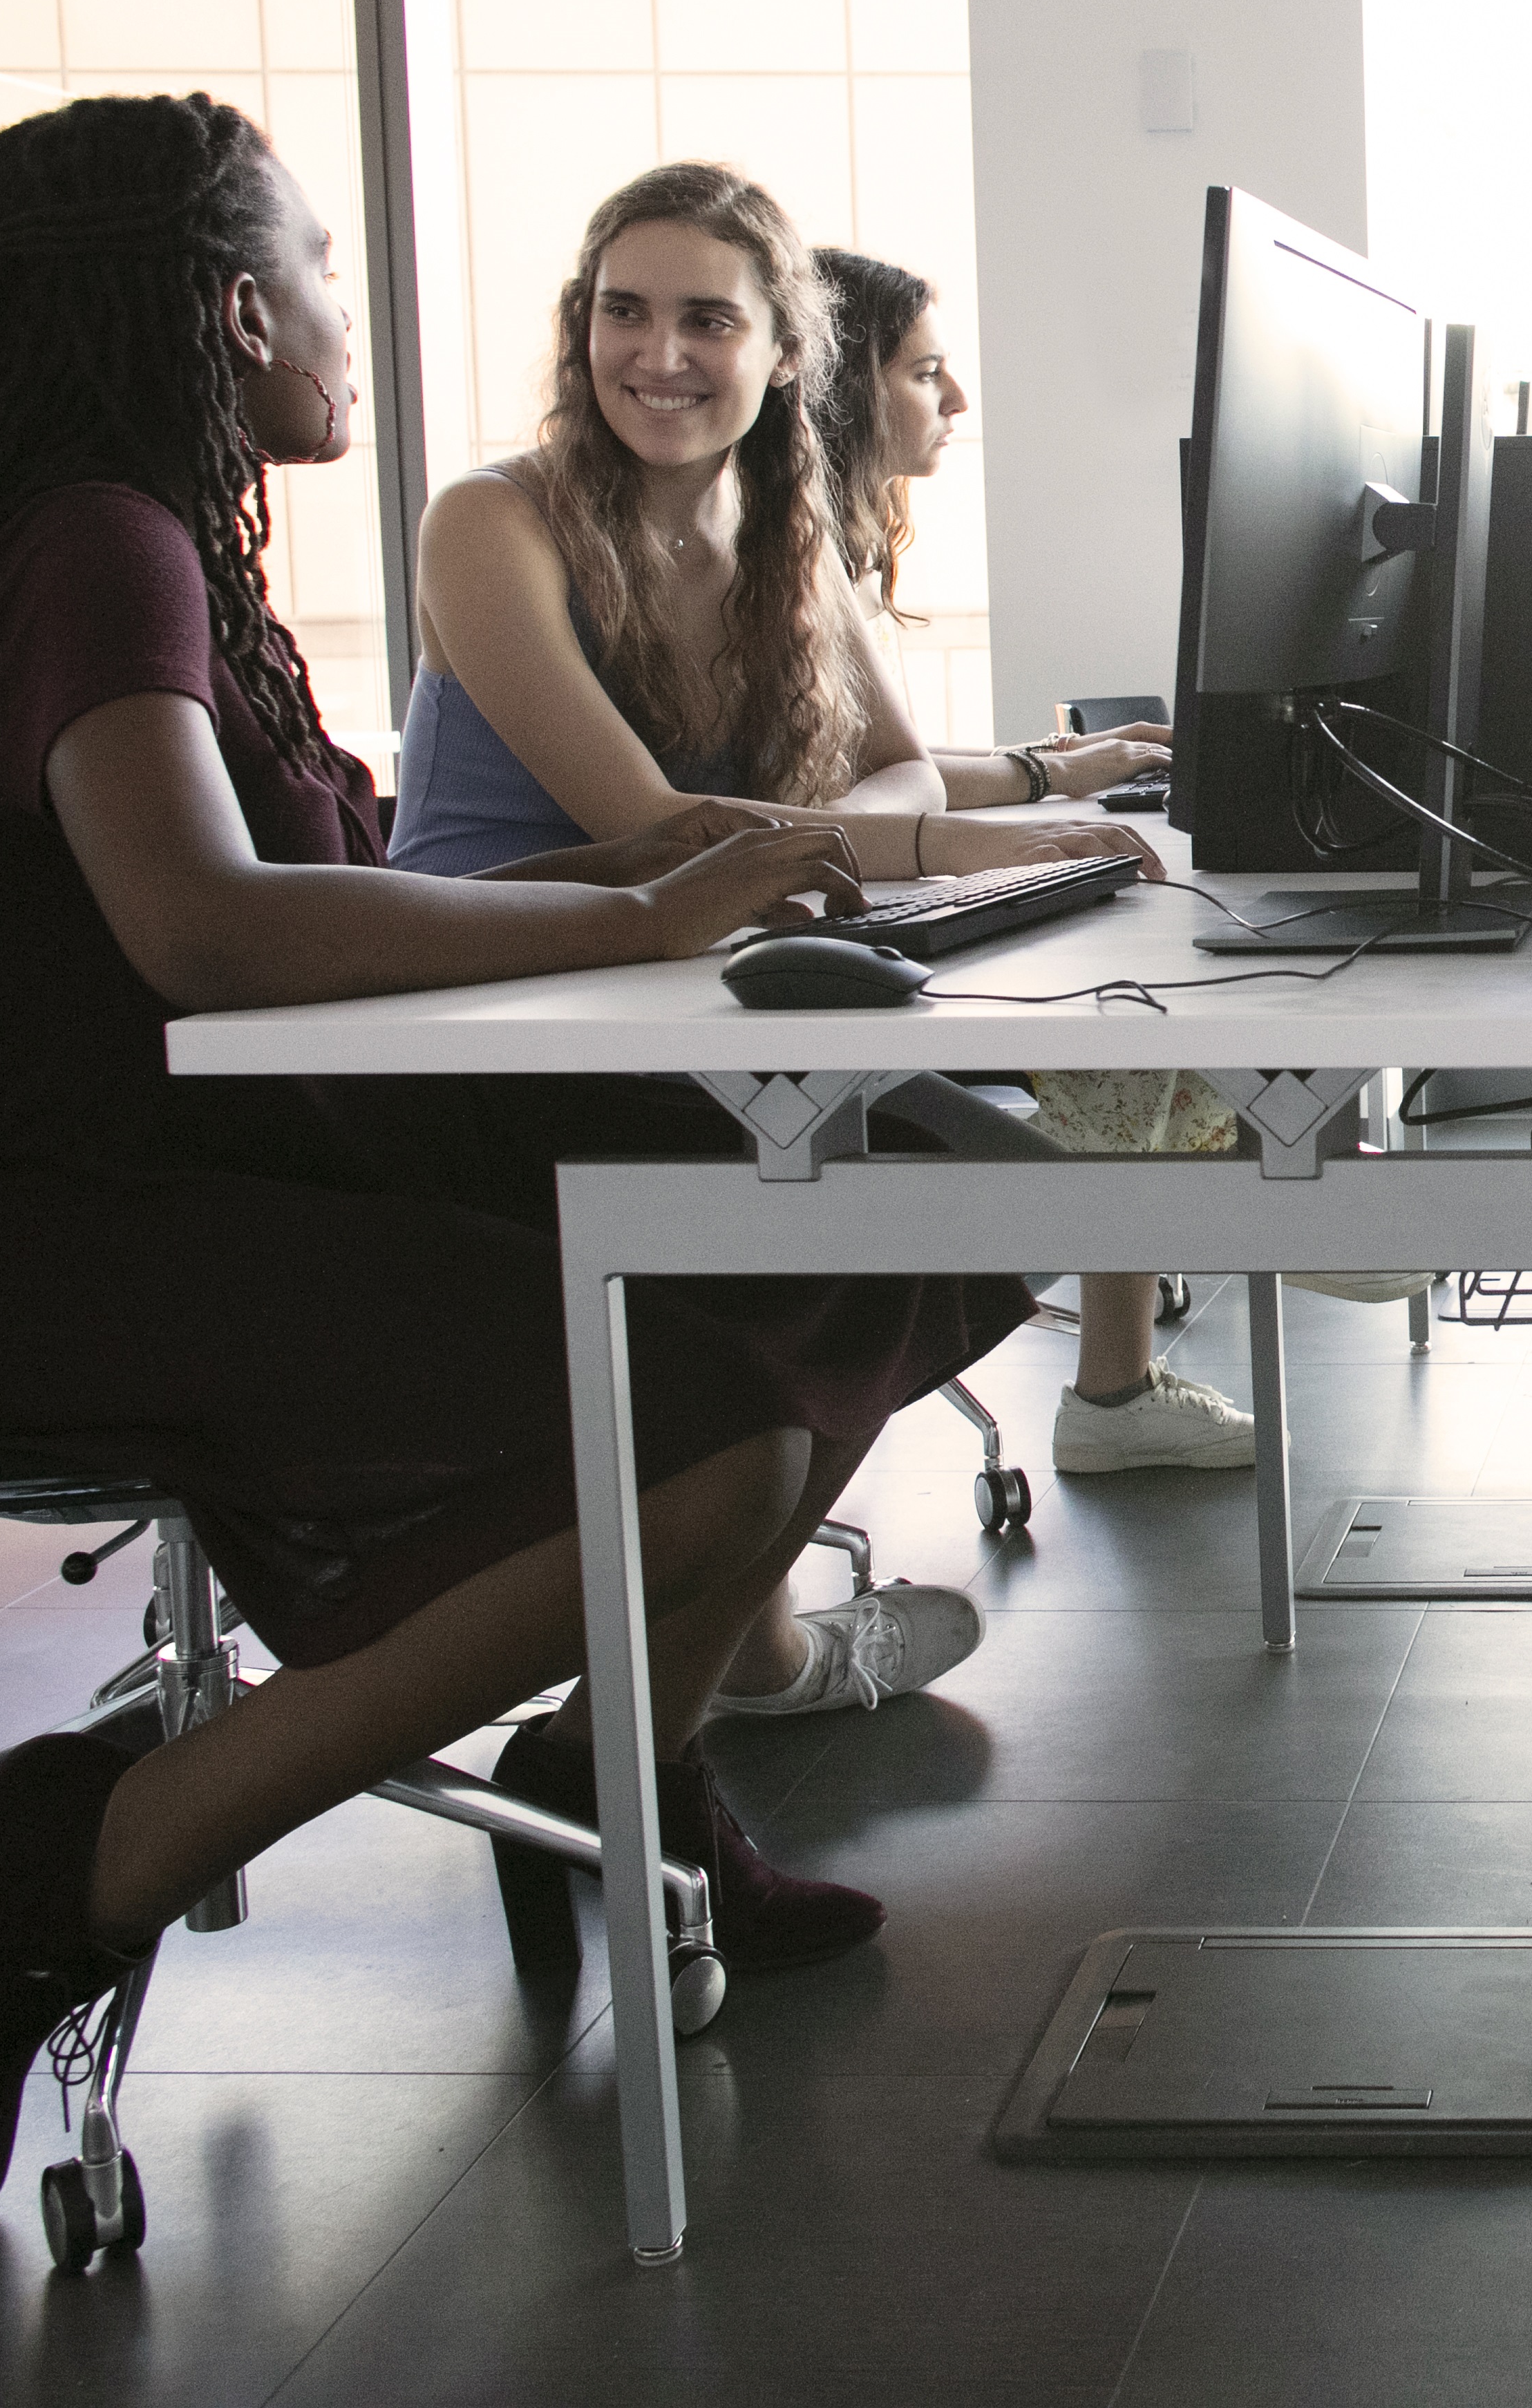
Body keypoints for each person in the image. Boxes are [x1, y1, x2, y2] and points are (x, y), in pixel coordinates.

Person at [0, 94, 1039, 2224]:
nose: (340, 314)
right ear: (230, 310)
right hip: (101, 1238)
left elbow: (357, 888)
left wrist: (668, 893)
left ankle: (621, 1777)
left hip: (245, 1163)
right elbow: (204, 929)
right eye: (314, 267)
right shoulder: (100, 548)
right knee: (712, 1439)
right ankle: (86, 1862)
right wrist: (636, 911)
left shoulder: (117, 537)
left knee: (890, 1214)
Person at [393, 165, 1148, 1707]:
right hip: (488, 1036)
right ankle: (737, 1653)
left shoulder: (783, 531)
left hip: (694, 1014)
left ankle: (720, 1649)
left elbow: (901, 767)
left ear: (786, 350)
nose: (658, 354)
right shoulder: (492, 522)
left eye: (706, 321)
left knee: (1008, 1180)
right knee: (926, 1206)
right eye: (624, 313)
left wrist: (924, 822)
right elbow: (660, 831)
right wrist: (944, 841)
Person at [810, 242, 1247, 1476]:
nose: (954, 399)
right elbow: (843, 792)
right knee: (1107, 988)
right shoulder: (781, 551)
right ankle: (1271, 1187)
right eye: (923, 372)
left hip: (846, 884)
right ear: (840, 388)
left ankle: (1138, 1354)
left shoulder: (835, 546)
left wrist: (1057, 770)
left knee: (1122, 966)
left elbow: (888, 766)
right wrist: (1023, 805)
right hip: (808, 922)